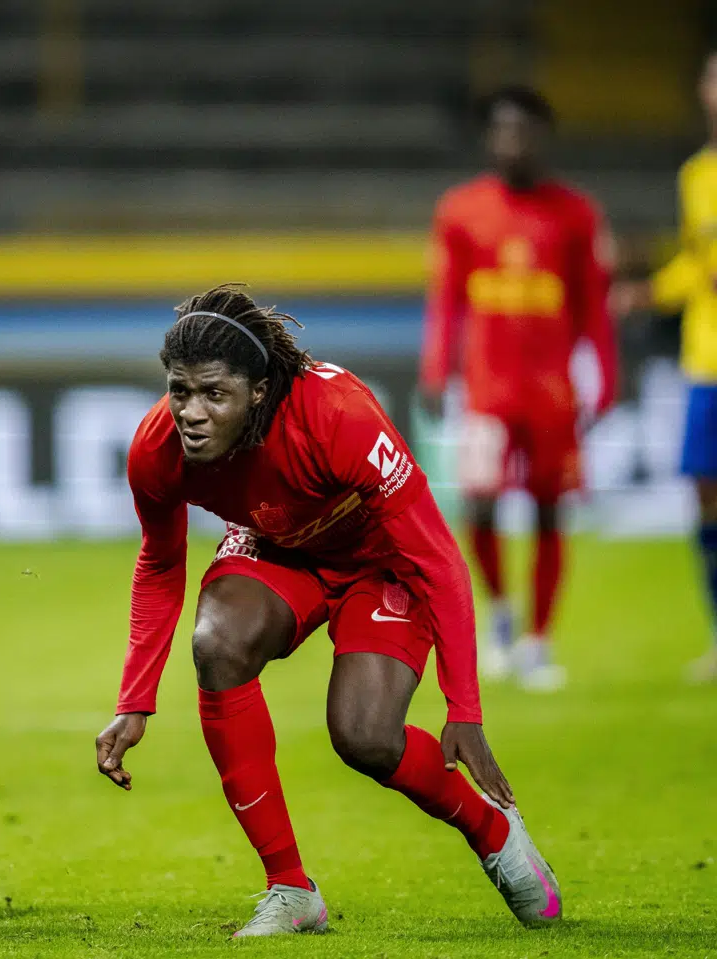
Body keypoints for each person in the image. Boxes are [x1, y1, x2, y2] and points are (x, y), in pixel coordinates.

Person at [94, 285, 562, 937]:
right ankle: (290, 888)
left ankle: (491, 828)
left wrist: (465, 710)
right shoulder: (157, 448)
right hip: (278, 547)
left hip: (377, 560)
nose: (191, 413)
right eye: (180, 391)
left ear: (259, 391)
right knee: (217, 642)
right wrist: (134, 699)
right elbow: (160, 562)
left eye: (214, 394)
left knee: (364, 736)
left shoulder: (337, 414)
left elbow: (439, 560)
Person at [421, 86, 619, 690]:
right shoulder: (461, 210)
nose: (514, 142)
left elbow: (593, 306)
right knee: (480, 502)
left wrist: (605, 377)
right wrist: (436, 370)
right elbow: (447, 301)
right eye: (504, 130)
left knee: (549, 511)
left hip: (552, 391)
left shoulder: (576, 213)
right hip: (486, 389)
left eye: (525, 131)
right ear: (490, 138)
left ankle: (538, 640)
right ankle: (502, 612)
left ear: (542, 137)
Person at [613, 51, 717, 683]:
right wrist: (649, 291)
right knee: (704, 495)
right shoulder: (697, 176)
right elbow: (697, 264)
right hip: (705, 360)